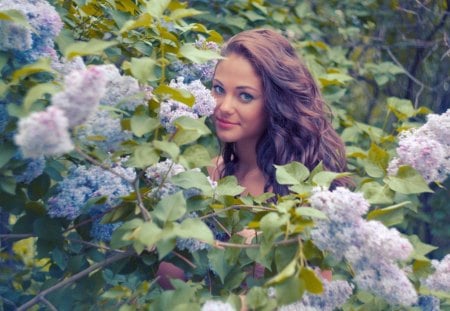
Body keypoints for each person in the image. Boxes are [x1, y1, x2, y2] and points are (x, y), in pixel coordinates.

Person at [208, 28, 351, 196]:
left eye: (245, 96)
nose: (224, 107)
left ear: (277, 102)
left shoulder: (298, 191)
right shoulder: (213, 172)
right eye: (219, 88)